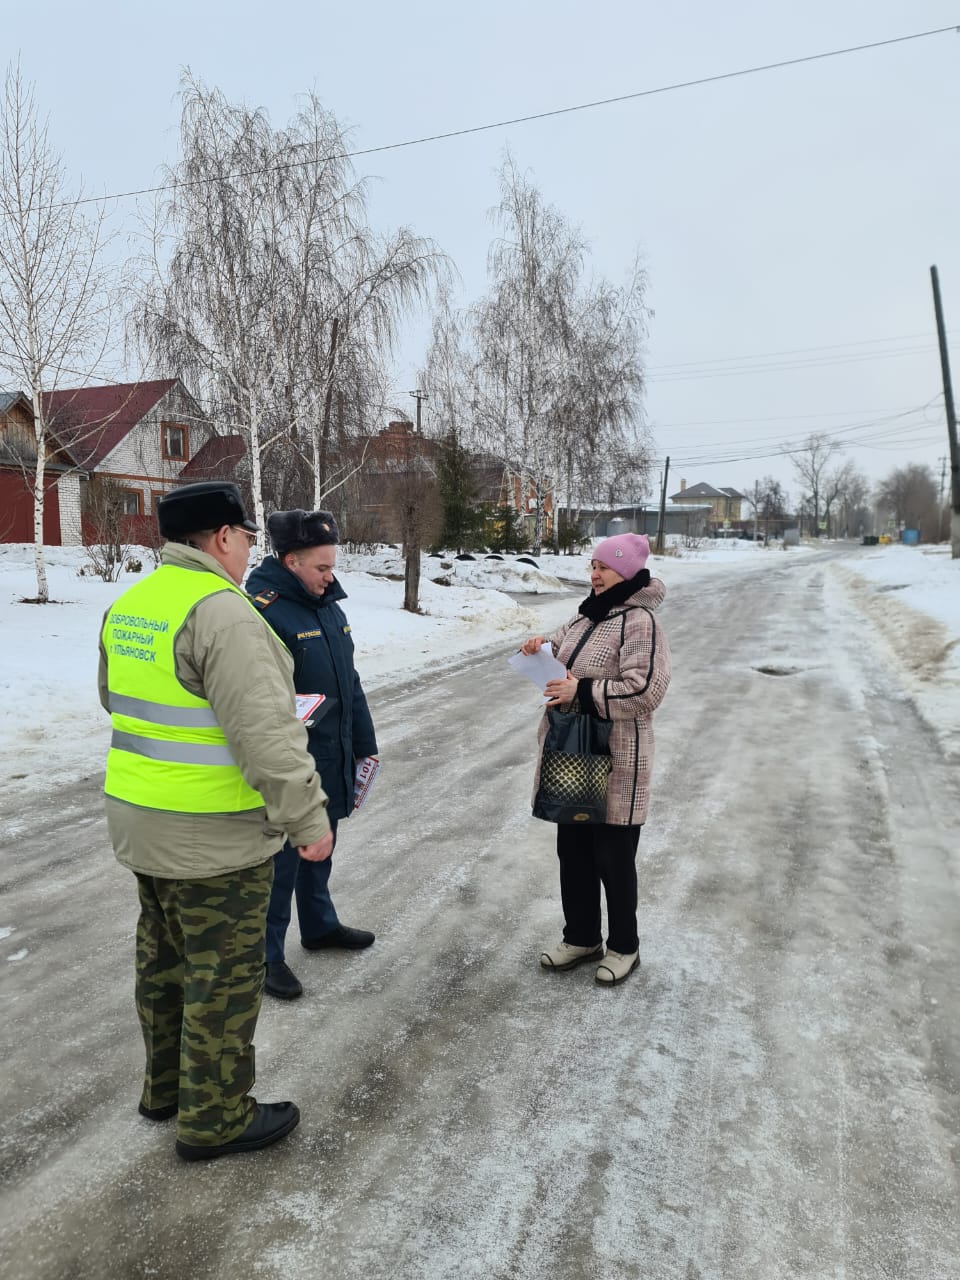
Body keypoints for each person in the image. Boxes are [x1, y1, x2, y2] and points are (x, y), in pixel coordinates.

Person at [98, 480, 333, 1161]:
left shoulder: (134, 603)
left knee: (164, 963)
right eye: (247, 537)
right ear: (223, 538)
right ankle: (216, 1117)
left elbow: (115, 698)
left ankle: (166, 1090)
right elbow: (266, 735)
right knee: (223, 978)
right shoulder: (223, 613)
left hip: (143, 822)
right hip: (214, 833)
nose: (249, 549)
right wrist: (308, 822)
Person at [521, 532, 671, 986]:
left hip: (617, 758)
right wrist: (539, 647)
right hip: (573, 752)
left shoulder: (640, 621)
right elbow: (562, 648)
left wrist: (581, 691)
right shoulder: (588, 614)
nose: (594, 574)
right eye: (593, 565)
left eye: (604, 567)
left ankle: (625, 945)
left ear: (626, 571)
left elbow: (647, 689)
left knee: (613, 856)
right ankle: (582, 936)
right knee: (574, 850)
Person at [246, 509, 379, 1001]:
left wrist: (364, 743)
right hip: (289, 763)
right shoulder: (263, 610)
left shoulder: (327, 606)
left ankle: (320, 926)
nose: (331, 576)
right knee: (281, 863)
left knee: (320, 848)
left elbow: (350, 681)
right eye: (321, 568)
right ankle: (266, 956)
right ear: (291, 560)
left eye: (332, 566)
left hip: (330, 751)